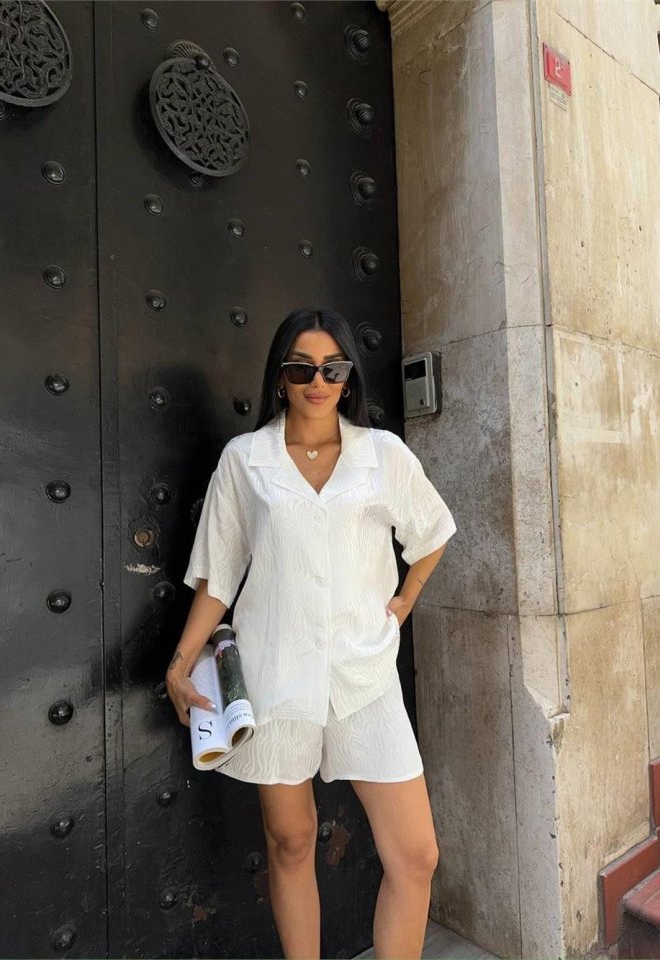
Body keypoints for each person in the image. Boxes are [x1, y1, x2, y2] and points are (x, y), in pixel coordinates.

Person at [166, 307, 457, 960]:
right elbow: (218, 574)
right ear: (280, 377)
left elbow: (433, 531)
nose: (317, 381)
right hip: (277, 674)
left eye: (332, 368)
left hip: (364, 674)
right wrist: (180, 663)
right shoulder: (245, 461)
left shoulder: (383, 455)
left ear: (348, 377)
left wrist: (403, 601)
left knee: (416, 854)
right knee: (291, 842)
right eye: (301, 368)